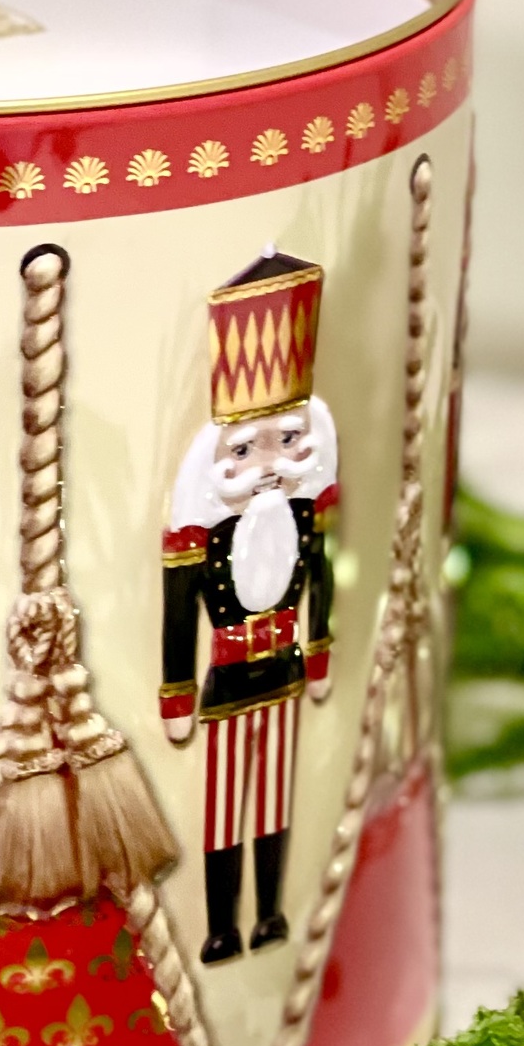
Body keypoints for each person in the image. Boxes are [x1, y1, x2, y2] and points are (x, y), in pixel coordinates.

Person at [161, 248, 337, 964]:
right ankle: (219, 927)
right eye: (246, 449)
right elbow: (178, 615)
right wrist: (176, 696)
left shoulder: (304, 518)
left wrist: (319, 655)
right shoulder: (202, 538)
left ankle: (267, 915)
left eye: (288, 441)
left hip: (286, 669)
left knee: (273, 801)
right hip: (229, 677)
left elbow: (323, 579)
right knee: (223, 810)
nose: (268, 463)